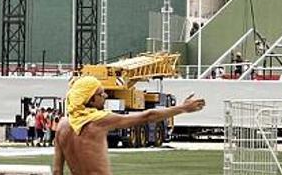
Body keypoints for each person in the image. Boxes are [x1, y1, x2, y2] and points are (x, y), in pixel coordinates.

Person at [52, 75, 204, 175]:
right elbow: (148, 116)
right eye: (101, 93)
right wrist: (183, 108)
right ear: (90, 99)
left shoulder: (62, 126)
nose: (105, 96)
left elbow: (57, 171)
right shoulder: (99, 121)